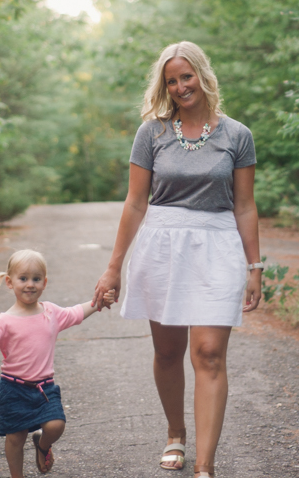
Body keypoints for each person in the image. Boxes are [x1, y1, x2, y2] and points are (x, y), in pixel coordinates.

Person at [92, 41, 263, 478]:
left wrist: (254, 267)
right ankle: (175, 434)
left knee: (208, 354)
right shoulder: (152, 133)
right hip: (163, 245)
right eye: (172, 80)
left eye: (186, 76)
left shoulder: (236, 135)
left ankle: (205, 466)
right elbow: (134, 203)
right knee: (168, 352)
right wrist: (113, 266)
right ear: (164, 86)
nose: (181, 86)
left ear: (202, 76)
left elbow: (245, 206)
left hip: (217, 245)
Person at [0, 248, 116, 478]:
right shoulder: (4, 320)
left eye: (36, 279)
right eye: (23, 279)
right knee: (15, 437)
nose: (30, 284)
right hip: (13, 388)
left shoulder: (51, 312)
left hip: (44, 387)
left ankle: (42, 445)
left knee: (56, 425)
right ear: (10, 283)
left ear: (44, 282)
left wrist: (99, 302)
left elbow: (76, 313)